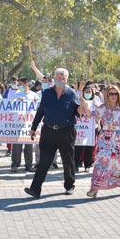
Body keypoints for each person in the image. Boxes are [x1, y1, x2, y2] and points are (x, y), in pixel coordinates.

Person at [24, 68, 80, 198]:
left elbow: (77, 111)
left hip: (67, 131)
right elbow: (40, 111)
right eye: (59, 77)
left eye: (63, 77)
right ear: (54, 78)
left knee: (68, 160)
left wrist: (81, 110)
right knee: (44, 161)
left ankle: (69, 186)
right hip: (48, 131)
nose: (61, 79)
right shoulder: (47, 92)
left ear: (67, 79)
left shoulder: (71, 93)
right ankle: (35, 189)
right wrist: (33, 127)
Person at [80, 84, 120, 198]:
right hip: (105, 139)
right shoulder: (102, 108)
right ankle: (94, 188)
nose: (114, 96)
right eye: (111, 94)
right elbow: (91, 115)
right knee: (100, 162)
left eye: (116, 94)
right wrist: (84, 105)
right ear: (107, 95)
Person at [11, 77, 39, 173]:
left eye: (20, 84)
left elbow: (38, 107)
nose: (19, 86)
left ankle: (28, 165)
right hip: (18, 124)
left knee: (29, 145)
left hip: (29, 124)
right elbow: (9, 107)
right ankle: (15, 164)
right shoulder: (17, 95)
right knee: (17, 145)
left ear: (26, 84)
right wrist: (17, 101)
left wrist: (36, 101)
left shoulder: (34, 95)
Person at [74, 83, 101, 172]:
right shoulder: (78, 100)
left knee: (90, 146)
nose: (88, 93)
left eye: (89, 92)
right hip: (80, 127)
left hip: (92, 127)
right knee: (78, 146)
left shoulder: (95, 101)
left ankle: (88, 165)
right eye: (86, 92)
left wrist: (99, 123)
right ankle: (76, 164)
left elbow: (96, 114)